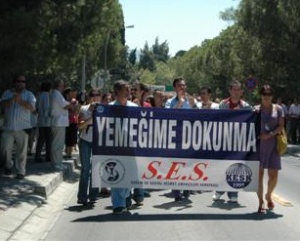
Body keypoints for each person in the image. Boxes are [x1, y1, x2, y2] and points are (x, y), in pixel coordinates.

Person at [212, 80, 251, 203]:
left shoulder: (246, 106)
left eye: (238, 89)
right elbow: (217, 120)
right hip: (224, 141)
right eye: (234, 89)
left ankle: (233, 193)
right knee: (222, 166)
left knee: (236, 167)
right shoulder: (223, 104)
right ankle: (219, 191)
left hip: (238, 142)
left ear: (241, 91)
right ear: (230, 91)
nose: (236, 92)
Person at [165, 77, 197, 202]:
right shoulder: (170, 102)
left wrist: (193, 105)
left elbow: (201, 116)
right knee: (175, 164)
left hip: (189, 137)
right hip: (175, 138)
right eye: (179, 86)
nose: (182, 88)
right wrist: (180, 103)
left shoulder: (191, 101)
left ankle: (187, 187)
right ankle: (177, 191)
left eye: (184, 85)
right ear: (175, 88)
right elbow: (168, 115)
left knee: (188, 163)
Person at [110, 80, 138, 214]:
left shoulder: (134, 107)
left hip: (131, 146)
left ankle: (127, 194)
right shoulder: (109, 108)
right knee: (116, 174)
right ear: (117, 92)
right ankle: (118, 204)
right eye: (124, 89)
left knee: (129, 174)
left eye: (128, 89)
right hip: (114, 146)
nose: (128, 92)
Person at [0, 75, 36, 179]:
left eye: (23, 81)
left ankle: (21, 171)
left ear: (25, 83)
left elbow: (32, 108)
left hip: (23, 127)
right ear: (15, 82)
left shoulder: (29, 95)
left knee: (22, 151)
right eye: (18, 81)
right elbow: (1, 105)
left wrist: (20, 101)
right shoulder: (7, 93)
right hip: (8, 127)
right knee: (5, 149)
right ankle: (8, 165)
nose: (21, 83)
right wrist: (11, 99)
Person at [255, 85, 285, 213]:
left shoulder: (278, 109)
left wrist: (270, 135)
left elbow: (281, 126)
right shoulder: (255, 110)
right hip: (259, 146)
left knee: (273, 176)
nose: (266, 97)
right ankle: (261, 201)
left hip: (273, 144)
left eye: (269, 95)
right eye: (264, 94)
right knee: (259, 175)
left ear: (272, 96)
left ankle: (268, 194)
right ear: (261, 96)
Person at [77, 89, 101, 205]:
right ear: (88, 97)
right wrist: (91, 117)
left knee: (95, 169)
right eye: (92, 95)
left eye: (97, 95)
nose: (95, 97)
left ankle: (93, 195)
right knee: (85, 169)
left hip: (98, 141)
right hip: (85, 140)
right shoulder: (83, 109)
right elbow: (80, 125)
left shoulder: (104, 109)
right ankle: (82, 196)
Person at [50, 79, 77, 171]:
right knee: (57, 144)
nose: (63, 87)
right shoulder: (56, 94)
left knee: (60, 144)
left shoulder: (57, 94)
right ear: (58, 86)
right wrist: (70, 104)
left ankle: (58, 162)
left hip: (60, 122)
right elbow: (65, 105)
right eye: (62, 85)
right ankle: (55, 163)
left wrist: (69, 104)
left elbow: (66, 104)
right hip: (58, 122)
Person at [35, 81, 52, 162]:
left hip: (40, 120)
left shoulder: (39, 95)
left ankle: (37, 155)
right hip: (47, 121)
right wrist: (49, 116)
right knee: (48, 139)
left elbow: (36, 107)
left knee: (40, 139)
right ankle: (48, 156)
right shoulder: (48, 96)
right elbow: (47, 107)